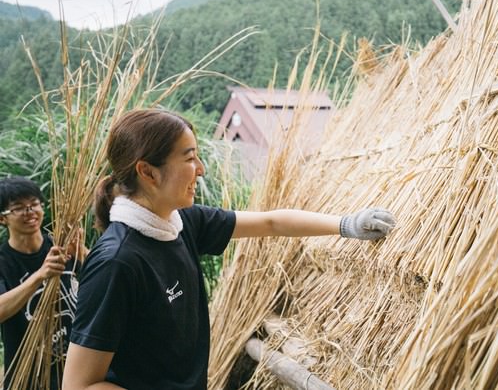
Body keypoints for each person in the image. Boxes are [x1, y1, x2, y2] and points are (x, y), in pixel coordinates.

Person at [62, 108, 395, 390]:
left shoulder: (183, 223)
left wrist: (346, 225)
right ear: (147, 171)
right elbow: (79, 385)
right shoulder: (117, 262)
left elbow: (271, 223)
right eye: (189, 158)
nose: (201, 169)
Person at [0, 176, 86, 389]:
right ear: (2, 219)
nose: (29, 212)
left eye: (34, 204)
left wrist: (83, 253)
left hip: (78, 368)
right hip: (28, 376)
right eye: (18, 208)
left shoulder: (62, 246)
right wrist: (40, 275)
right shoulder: (3, 262)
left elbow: (104, 284)